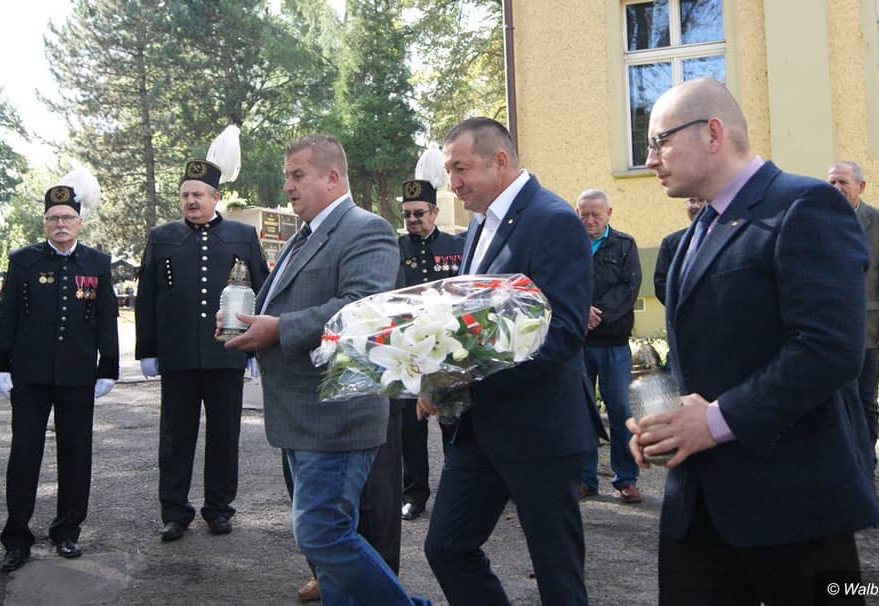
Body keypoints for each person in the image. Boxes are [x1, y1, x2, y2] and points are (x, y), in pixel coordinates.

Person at [629, 78, 879, 604]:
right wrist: (667, 422)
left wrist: (714, 422)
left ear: (712, 133)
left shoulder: (804, 205)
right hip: (698, 510)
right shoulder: (698, 228)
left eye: (658, 142)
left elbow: (828, 349)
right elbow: (707, 350)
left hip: (792, 509)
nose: (650, 160)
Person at [223, 134, 430, 606]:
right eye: (287, 176)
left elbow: (359, 308)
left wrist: (279, 329)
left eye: (298, 175)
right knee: (325, 540)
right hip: (301, 414)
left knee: (322, 533)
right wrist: (246, 320)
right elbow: (286, 301)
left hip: (336, 415)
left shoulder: (365, 229)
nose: (288, 186)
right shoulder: (306, 234)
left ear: (332, 177)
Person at [419, 117, 601, 606]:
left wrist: (462, 379)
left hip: (541, 430)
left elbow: (561, 332)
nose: (452, 183)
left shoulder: (553, 220)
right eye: (449, 171)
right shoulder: (480, 223)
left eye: (460, 169)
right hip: (480, 430)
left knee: (557, 577)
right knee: (446, 548)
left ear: (499, 161)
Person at [135, 133, 269, 543]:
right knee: (175, 438)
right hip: (177, 355)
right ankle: (174, 512)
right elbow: (147, 297)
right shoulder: (162, 237)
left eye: (198, 194)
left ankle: (219, 508)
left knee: (224, 435)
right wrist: (147, 350)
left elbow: (262, 290)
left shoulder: (242, 236)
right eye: (185, 195)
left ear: (215, 197)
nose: (191, 201)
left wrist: (256, 347)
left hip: (227, 351)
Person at [0, 168, 119, 572]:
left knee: (76, 456)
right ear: (44, 222)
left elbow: (106, 319)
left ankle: (67, 532)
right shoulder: (24, 261)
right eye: (53, 218)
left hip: (78, 376)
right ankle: (16, 538)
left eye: (67, 217)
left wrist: (108, 368)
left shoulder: (97, 263)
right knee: (24, 456)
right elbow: (8, 316)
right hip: (30, 376)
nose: (60, 224)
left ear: (79, 221)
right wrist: (0, 365)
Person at [828, 160, 879, 468]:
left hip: (866, 329)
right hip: (826, 328)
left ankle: (866, 465)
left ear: (860, 186)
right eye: (832, 183)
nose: (836, 188)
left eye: (843, 182)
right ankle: (839, 466)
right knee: (831, 401)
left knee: (865, 401)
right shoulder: (816, 219)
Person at [398, 165, 464, 522]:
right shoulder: (395, 249)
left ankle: (458, 493)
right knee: (411, 429)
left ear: (435, 212)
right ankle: (414, 494)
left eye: (419, 213)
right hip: (409, 353)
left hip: (448, 351)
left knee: (453, 425)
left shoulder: (456, 246)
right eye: (407, 215)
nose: (413, 220)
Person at [575, 188, 643, 503]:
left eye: (596, 215)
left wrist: (596, 313)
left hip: (614, 342)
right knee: (581, 411)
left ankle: (626, 479)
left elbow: (629, 286)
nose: (590, 220)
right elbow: (559, 283)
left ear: (609, 214)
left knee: (621, 410)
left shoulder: (625, 245)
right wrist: (580, 312)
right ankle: (585, 479)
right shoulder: (567, 245)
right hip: (578, 343)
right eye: (584, 215)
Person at [653, 197, 705, 306]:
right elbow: (661, 283)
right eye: (691, 201)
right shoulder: (670, 242)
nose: (696, 206)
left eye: (701, 201)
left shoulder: (724, 236)